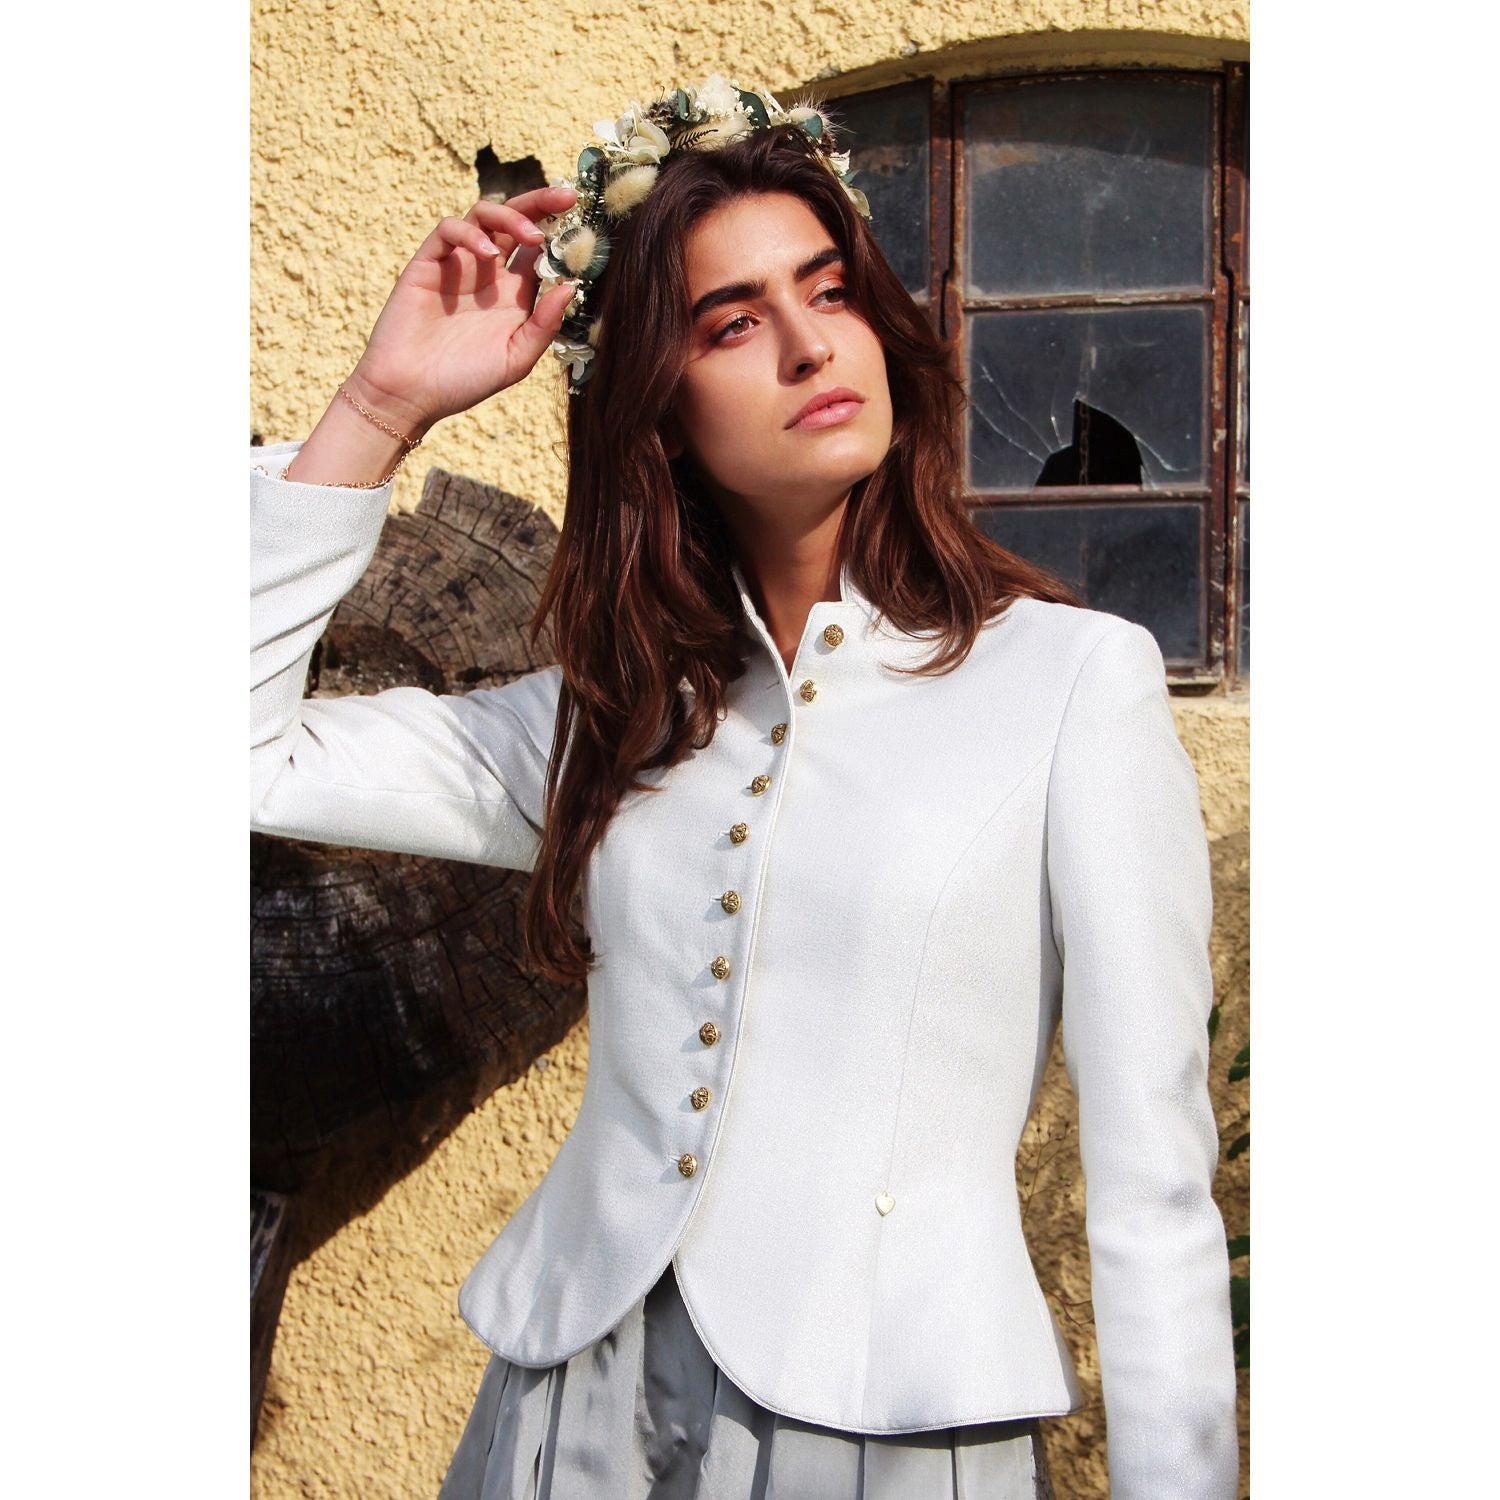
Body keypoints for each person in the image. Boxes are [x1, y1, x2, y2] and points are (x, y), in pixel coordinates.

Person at [251, 76, 1238, 1500]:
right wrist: (378, 406)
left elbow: (1152, 1176)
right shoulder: (609, 718)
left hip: (889, 1425)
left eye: (828, 291)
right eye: (731, 323)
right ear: (659, 411)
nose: (808, 344)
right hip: (566, 1403)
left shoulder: (1074, 683)